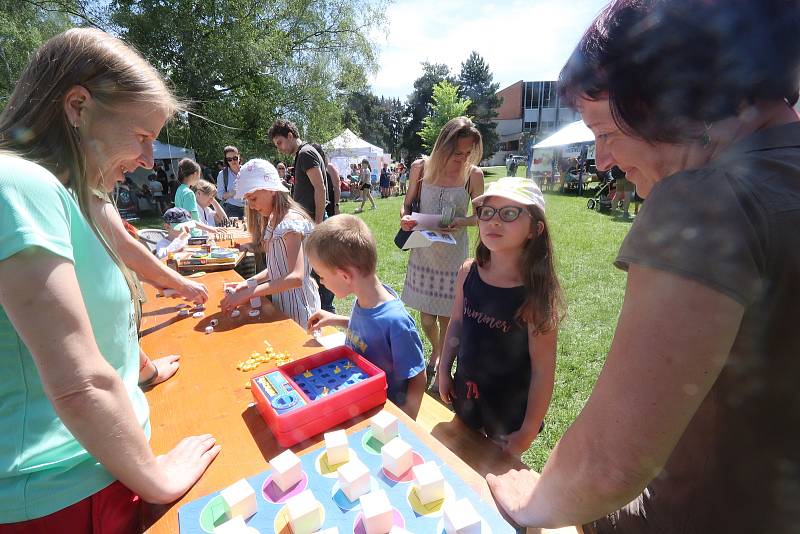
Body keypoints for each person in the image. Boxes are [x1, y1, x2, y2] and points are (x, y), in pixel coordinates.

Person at [486, 2, 800, 533]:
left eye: (605, 131)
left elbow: (611, 463)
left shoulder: (705, 199)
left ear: (673, 103)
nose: (602, 159)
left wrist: (531, 503)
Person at [0, 27, 219, 532]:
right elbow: (78, 382)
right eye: (141, 137)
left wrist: (137, 368)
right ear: (77, 106)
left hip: (100, 471)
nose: (148, 159)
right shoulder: (21, 184)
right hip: (63, 496)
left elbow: (86, 323)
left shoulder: (69, 195)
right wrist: (158, 480)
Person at [438, 177, 561, 455]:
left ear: (535, 229)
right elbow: (457, 324)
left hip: (508, 410)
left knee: (491, 477)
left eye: (509, 213)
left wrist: (528, 430)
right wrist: (444, 369)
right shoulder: (467, 272)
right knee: (460, 457)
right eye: (487, 212)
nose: (494, 221)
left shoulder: (536, 295)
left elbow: (543, 370)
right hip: (466, 393)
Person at [305, 215, 427, 418]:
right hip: (361, 399)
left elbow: (418, 375)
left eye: (321, 275)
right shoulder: (364, 298)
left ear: (345, 276)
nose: (321, 281)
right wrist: (335, 319)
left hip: (384, 411)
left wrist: (407, 419)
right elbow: (368, 331)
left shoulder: (396, 322)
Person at [400, 116, 485, 390]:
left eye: (467, 152)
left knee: (449, 319)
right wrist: (405, 218)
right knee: (426, 318)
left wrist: (463, 222)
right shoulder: (420, 168)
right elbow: (407, 204)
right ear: (442, 147)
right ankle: (436, 351)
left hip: (453, 257)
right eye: (456, 152)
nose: (462, 158)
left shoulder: (474, 175)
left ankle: (444, 363)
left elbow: (481, 216)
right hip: (424, 250)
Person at [220, 159, 320, 328]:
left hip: (302, 312)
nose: (251, 206)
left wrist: (249, 293)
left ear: (271, 190)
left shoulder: (291, 223)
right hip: (284, 308)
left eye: (253, 198)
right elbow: (277, 266)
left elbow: (295, 277)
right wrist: (248, 283)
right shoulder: (274, 220)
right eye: (247, 200)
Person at [268, 119, 327, 224]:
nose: (279, 149)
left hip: (312, 220)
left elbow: (320, 188)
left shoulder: (305, 153)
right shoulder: (302, 154)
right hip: (307, 218)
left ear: (290, 136)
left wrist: (318, 223)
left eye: (279, 143)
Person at [173, 158, 219, 235]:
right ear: (194, 174)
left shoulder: (179, 190)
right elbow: (192, 220)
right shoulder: (189, 193)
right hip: (193, 235)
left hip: (184, 233)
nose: (199, 178)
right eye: (199, 175)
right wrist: (211, 229)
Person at [311, 143, 341, 217]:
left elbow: (337, 187)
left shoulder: (329, 167)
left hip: (330, 202)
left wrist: (336, 205)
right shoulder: (313, 168)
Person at [216, 145, 245, 219]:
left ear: (239, 157)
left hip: (250, 207)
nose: (233, 161)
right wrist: (232, 193)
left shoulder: (247, 170)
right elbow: (219, 195)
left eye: (235, 158)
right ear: (226, 160)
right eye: (229, 159)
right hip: (232, 209)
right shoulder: (222, 174)